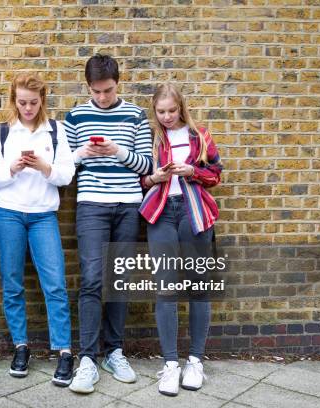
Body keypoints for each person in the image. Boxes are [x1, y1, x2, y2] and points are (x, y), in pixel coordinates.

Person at [64, 54, 153, 394]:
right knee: (90, 279)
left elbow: (145, 165)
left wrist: (116, 150)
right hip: (91, 205)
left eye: (108, 90)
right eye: (96, 91)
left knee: (120, 280)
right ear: (87, 86)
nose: (102, 97)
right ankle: (87, 358)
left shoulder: (135, 115)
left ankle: (114, 351)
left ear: (119, 82)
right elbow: (65, 167)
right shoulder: (76, 116)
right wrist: (82, 153)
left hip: (128, 205)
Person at [0, 73, 76, 386]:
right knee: (12, 283)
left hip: (42, 216)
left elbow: (66, 174)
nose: (27, 108)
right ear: (14, 100)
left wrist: (43, 167)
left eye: (33, 102)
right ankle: (20, 347)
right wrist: (13, 168)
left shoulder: (55, 131)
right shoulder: (4, 132)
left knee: (55, 284)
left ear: (42, 100)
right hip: (7, 213)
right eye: (22, 102)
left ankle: (64, 351)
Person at [139, 82, 222, 396]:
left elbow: (215, 174)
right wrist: (155, 177)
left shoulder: (198, 136)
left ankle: (195, 361)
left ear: (181, 107)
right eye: (161, 111)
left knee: (198, 286)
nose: (167, 116)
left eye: (172, 110)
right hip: (161, 213)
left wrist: (192, 171)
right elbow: (141, 179)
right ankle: (170, 364)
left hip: (194, 213)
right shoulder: (151, 137)